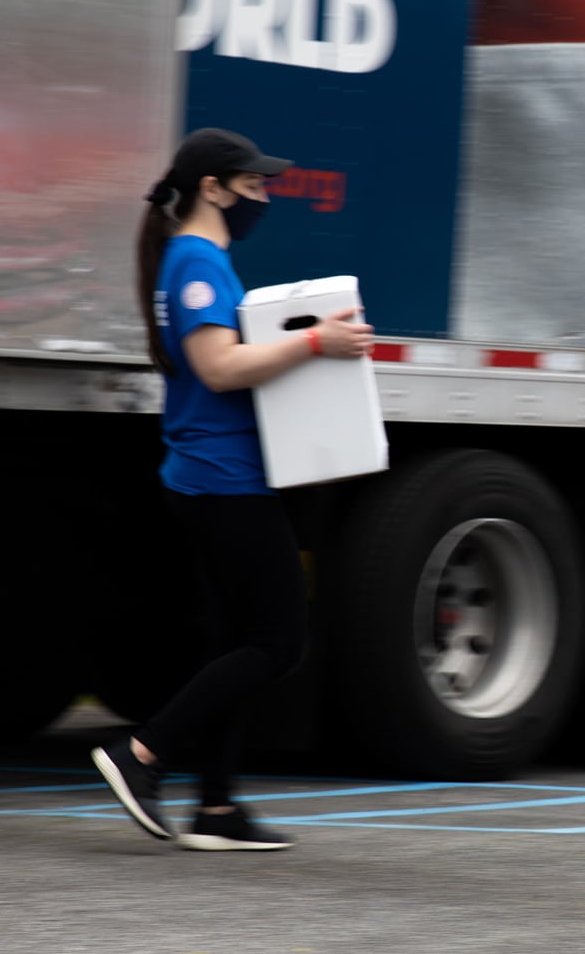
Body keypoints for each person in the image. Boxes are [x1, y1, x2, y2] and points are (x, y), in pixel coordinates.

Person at [90, 128, 373, 851]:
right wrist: (317, 342)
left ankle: (217, 806)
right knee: (278, 642)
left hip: (212, 477)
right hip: (224, 481)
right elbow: (219, 367)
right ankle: (140, 754)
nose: (264, 196)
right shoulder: (196, 263)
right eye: (253, 184)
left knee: (238, 640)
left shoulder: (194, 258)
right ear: (212, 188)